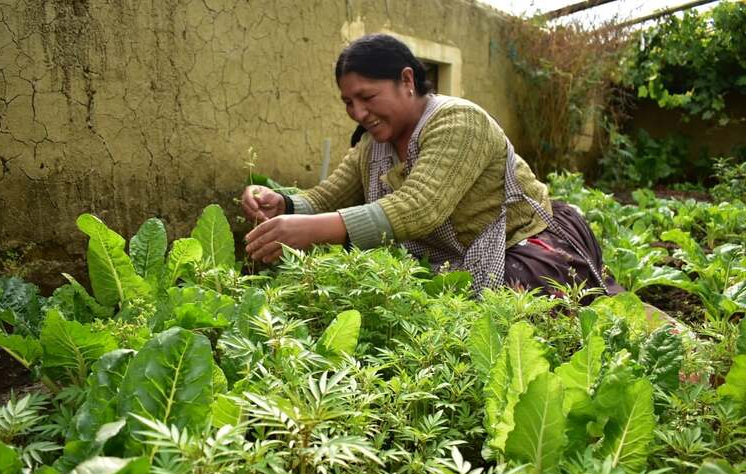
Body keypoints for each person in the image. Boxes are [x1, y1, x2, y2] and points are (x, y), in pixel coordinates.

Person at [241, 33, 621, 299]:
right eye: (347, 102)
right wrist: (284, 204)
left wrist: (311, 232)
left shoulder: (458, 121)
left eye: (367, 97)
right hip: (458, 261)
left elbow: (420, 207)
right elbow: (329, 195)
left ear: (407, 80)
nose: (358, 112)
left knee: (501, 321)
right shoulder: (375, 144)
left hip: (522, 245)